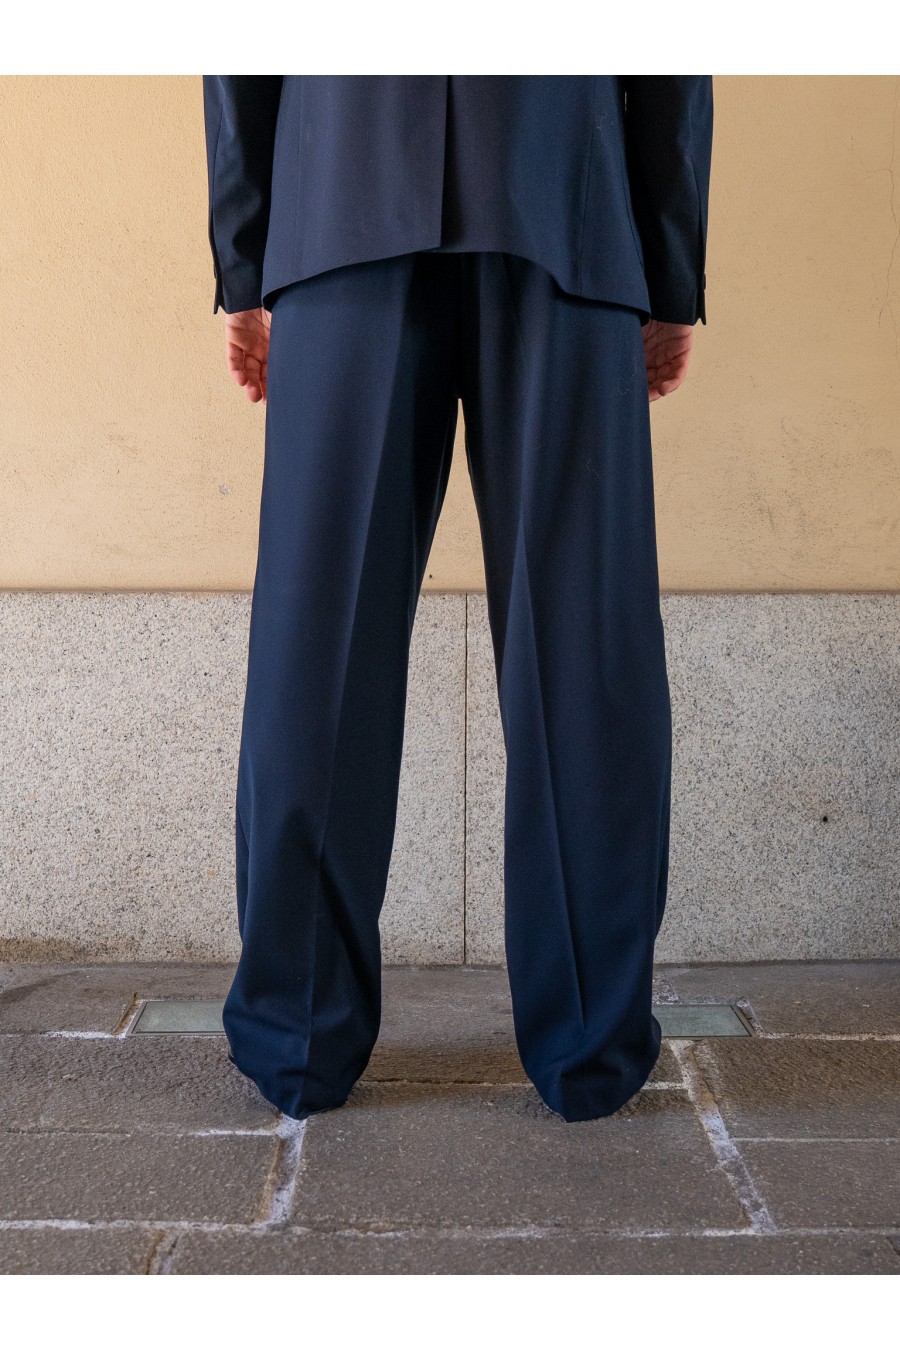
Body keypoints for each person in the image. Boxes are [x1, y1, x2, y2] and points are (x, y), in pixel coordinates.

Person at [202, 75, 713, 1123]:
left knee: (319, 642)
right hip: (563, 200)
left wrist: (248, 257)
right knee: (584, 645)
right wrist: (667, 269)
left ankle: (299, 1036)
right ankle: (589, 1047)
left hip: (339, 201)